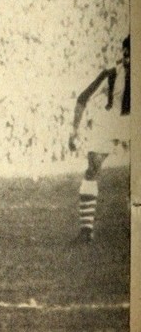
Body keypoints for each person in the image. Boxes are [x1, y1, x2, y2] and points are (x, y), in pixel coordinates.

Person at [68, 35, 130, 242]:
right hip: (113, 120)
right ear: (123, 53)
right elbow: (82, 99)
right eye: (127, 54)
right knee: (92, 166)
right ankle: (86, 230)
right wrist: (74, 130)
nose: (129, 59)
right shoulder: (111, 75)